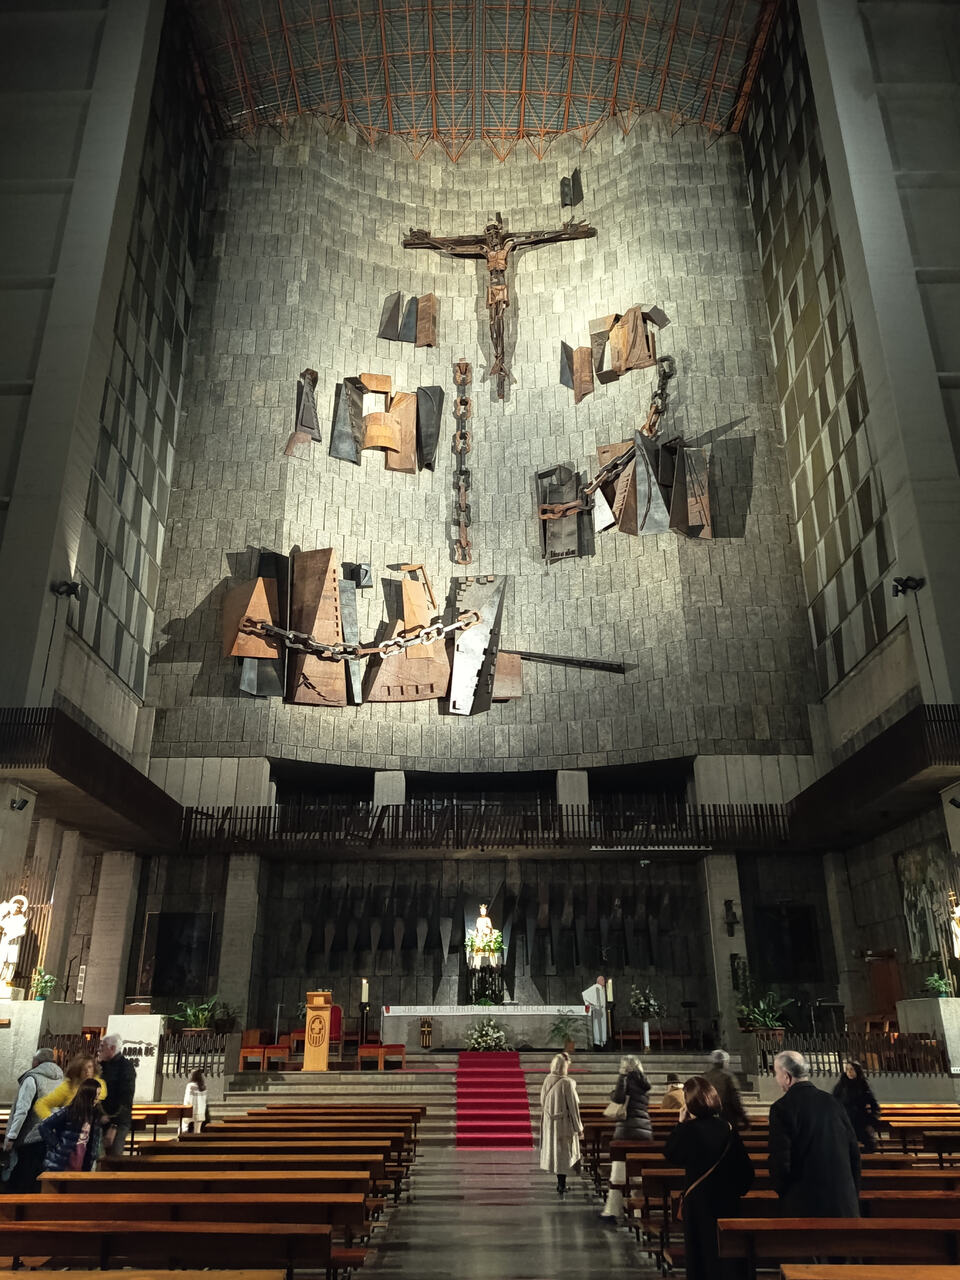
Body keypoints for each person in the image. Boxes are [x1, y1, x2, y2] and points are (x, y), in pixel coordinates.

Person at [663, 1076, 754, 1280]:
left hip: (699, 1206)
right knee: (726, 1261)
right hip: (727, 1205)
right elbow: (747, 1173)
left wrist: (680, 1124)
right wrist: (732, 1192)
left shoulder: (689, 1131)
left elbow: (671, 1154)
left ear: (689, 1105)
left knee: (701, 1260)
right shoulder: (728, 1128)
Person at [768, 1049, 860, 1216]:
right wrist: (851, 1194)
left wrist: (785, 1194)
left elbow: (781, 1163)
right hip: (843, 1204)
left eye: (776, 1073)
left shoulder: (782, 1108)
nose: (776, 1078)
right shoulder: (833, 1102)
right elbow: (853, 1152)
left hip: (805, 1206)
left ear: (787, 1076)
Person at [600, 1055, 653, 1223]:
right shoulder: (643, 1082)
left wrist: (621, 1076)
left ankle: (612, 1211)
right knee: (638, 1174)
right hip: (644, 1131)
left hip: (626, 1131)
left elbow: (619, 1098)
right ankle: (638, 1212)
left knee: (618, 1172)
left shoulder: (625, 1079)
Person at [2, 1046, 63, 1191]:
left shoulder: (32, 1079)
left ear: (36, 1061)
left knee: (22, 1177)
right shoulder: (61, 1080)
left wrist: (11, 1136)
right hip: (51, 1135)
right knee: (39, 1177)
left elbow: (21, 1111)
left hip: (30, 1137)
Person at [539, 1052, 583, 1198]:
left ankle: (561, 1184)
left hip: (551, 1123)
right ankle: (562, 1185)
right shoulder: (567, 1083)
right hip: (563, 1124)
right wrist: (578, 1128)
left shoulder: (547, 1080)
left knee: (557, 1154)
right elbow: (573, 1108)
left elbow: (542, 1101)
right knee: (564, 1154)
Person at [37, 1077, 103, 1172]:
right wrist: (57, 1145)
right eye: (95, 1095)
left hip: (82, 1162)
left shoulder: (95, 1115)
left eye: (98, 1095)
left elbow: (93, 1142)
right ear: (88, 1095)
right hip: (62, 1163)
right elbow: (44, 1126)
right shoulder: (69, 1111)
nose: (97, 1099)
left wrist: (93, 1158)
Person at [98, 1034, 136, 1157]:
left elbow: (126, 1097)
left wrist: (114, 1124)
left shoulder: (125, 1067)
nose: (99, 1049)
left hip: (117, 1121)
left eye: (102, 1046)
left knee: (114, 1157)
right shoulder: (102, 1066)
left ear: (112, 1048)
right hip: (101, 1118)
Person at [34, 1055, 104, 1122]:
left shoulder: (100, 1085)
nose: (87, 1071)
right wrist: (53, 1121)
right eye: (83, 1068)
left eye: (90, 1067)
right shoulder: (68, 1087)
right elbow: (41, 1104)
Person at [832, 1059, 880, 1153]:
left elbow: (873, 1104)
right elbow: (834, 1101)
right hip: (845, 1120)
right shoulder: (841, 1086)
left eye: (852, 1069)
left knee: (868, 1146)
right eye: (847, 1069)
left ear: (857, 1071)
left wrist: (871, 1121)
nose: (849, 1072)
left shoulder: (863, 1086)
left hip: (860, 1120)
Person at [704, 1049, 750, 1130]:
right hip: (727, 1115)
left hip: (709, 1115)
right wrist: (743, 1116)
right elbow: (736, 1099)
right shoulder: (728, 1077)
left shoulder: (706, 1077)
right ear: (724, 1062)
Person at [581, 975, 607, 1049]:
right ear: (598, 981)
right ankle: (598, 1042)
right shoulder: (596, 987)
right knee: (598, 1027)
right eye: (602, 980)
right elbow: (585, 994)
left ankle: (602, 1041)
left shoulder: (601, 988)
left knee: (602, 1026)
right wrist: (591, 1004)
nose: (604, 981)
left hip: (602, 1010)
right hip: (598, 1010)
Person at [182, 1068, 208, 1133]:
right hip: (200, 1110)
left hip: (191, 1109)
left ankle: (182, 1138)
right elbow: (204, 1099)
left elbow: (187, 1098)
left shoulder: (190, 1086)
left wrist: (185, 1107)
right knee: (197, 1131)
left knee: (184, 1127)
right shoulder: (203, 1086)